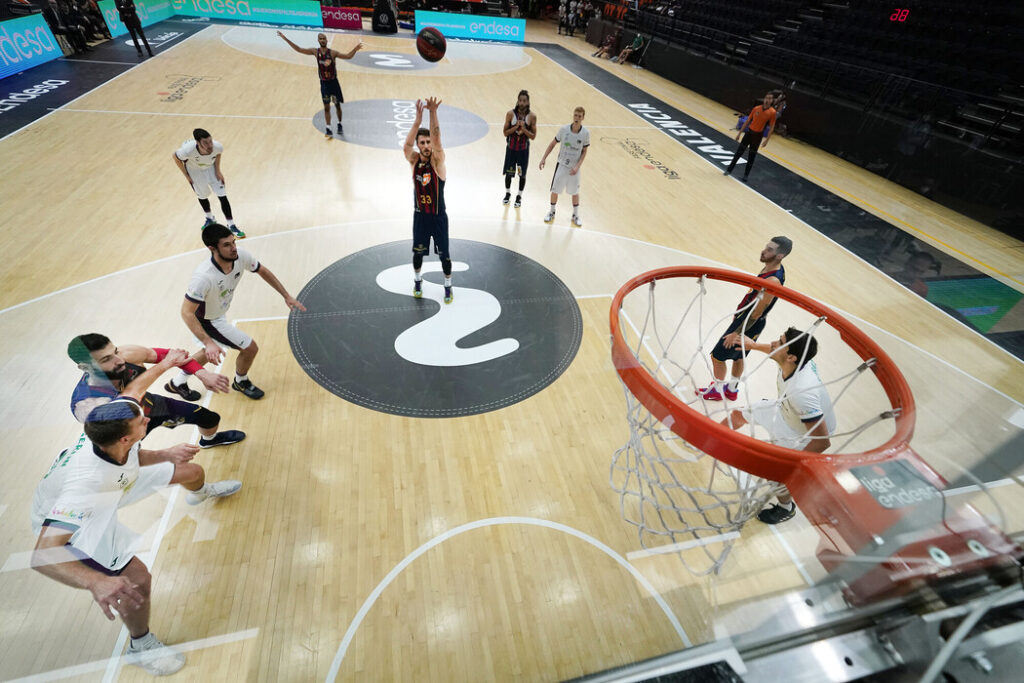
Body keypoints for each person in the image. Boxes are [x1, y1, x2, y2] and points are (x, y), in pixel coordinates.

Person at [31, 398, 242, 676]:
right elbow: (43, 553)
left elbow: (133, 455)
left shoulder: (112, 438)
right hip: (84, 522)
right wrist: (96, 581)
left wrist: (166, 454)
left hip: (114, 484)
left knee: (191, 471)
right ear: (125, 436)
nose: (147, 419)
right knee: (137, 581)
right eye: (141, 420)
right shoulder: (83, 488)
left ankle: (201, 492)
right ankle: (140, 645)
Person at [719, 327, 836, 524]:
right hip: (785, 409)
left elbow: (822, 441)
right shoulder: (796, 360)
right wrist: (753, 345)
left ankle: (786, 507)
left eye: (780, 342)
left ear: (791, 357)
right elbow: (774, 350)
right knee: (739, 414)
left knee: (774, 471)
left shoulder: (802, 391)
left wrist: (792, 467)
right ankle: (713, 437)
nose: (773, 343)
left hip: (803, 433)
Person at [181, 224, 307, 400]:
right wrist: (208, 341)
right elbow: (186, 312)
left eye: (233, 242)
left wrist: (286, 296)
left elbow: (262, 270)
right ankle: (241, 381)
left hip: (218, 314)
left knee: (208, 352)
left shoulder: (240, 255)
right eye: (226, 245)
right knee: (249, 348)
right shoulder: (203, 277)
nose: (234, 248)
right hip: (208, 321)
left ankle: (177, 382)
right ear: (212, 248)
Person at [68, 333, 245, 448]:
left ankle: (209, 440)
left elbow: (170, 355)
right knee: (181, 471)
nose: (119, 360)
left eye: (115, 351)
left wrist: (202, 373)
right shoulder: (88, 405)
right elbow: (130, 395)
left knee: (209, 418)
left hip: (150, 405)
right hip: (125, 434)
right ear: (84, 367)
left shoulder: (125, 354)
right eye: (107, 358)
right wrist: (164, 455)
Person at [697, 237, 792, 401]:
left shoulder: (773, 279)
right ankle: (732, 390)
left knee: (717, 356)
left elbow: (756, 312)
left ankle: (718, 390)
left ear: (780, 255)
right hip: (749, 320)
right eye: (766, 247)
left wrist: (736, 332)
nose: (764, 251)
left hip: (749, 323)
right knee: (739, 356)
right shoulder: (771, 268)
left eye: (770, 250)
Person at [403, 97, 454, 304]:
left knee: (445, 257)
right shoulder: (414, 160)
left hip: (438, 217)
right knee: (417, 255)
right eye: (422, 143)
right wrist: (417, 119)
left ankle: (448, 286)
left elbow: (437, 137)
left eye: (428, 142)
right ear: (418, 145)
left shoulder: (438, 161)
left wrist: (432, 113)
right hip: (420, 217)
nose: (426, 145)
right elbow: (406, 145)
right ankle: (417, 281)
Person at [276, 31, 363, 138]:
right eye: (320, 38)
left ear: (327, 40)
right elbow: (299, 49)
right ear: (318, 40)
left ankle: (340, 124)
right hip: (324, 84)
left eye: (324, 38)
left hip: (334, 83)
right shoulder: (315, 52)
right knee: (326, 107)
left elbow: (348, 56)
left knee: (337, 105)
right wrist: (285, 38)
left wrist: (355, 49)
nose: (322, 40)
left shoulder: (332, 53)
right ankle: (328, 128)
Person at [173, 129, 246, 238]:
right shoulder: (187, 151)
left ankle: (231, 225)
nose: (210, 145)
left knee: (222, 195)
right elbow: (175, 157)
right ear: (198, 143)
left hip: (211, 169)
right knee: (202, 196)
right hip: (194, 171)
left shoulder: (217, 146)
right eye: (206, 143)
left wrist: (218, 170)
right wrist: (187, 176)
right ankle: (210, 218)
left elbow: (218, 154)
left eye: (210, 141)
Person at [539, 106, 589, 227]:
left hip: (574, 168)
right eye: (575, 115)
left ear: (583, 118)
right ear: (573, 115)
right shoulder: (564, 130)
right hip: (562, 165)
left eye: (579, 116)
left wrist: (577, 166)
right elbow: (553, 144)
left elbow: (584, 151)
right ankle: (551, 212)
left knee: (575, 192)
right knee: (554, 190)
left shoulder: (585, 133)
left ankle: (575, 215)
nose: (577, 118)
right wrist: (543, 158)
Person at [724, 92, 776, 182]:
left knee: (751, 156)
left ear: (772, 101)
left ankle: (745, 176)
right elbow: (748, 120)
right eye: (767, 98)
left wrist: (766, 140)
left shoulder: (772, 112)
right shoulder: (756, 108)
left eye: (770, 98)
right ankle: (729, 170)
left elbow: (772, 127)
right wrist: (739, 133)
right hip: (749, 133)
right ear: (764, 99)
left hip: (758, 136)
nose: (768, 100)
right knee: (738, 153)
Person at [502, 90, 537, 208]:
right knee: (509, 173)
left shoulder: (532, 117)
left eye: (524, 101)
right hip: (511, 150)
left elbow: (533, 136)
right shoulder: (510, 114)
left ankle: (519, 196)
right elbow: (505, 133)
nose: (522, 103)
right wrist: (516, 127)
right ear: (517, 101)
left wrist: (524, 129)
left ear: (528, 102)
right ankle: (507, 193)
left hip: (523, 151)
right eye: (520, 100)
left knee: (522, 174)